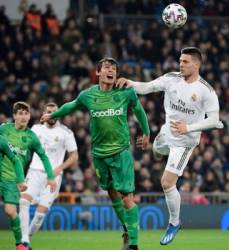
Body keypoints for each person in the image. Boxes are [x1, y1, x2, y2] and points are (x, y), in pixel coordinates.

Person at [41, 57, 150, 250]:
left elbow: (139, 111)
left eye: (114, 68)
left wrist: (147, 132)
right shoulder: (88, 95)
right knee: (111, 192)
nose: (111, 70)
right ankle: (126, 227)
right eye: (107, 67)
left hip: (121, 152)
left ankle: (133, 244)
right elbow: (70, 106)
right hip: (99, 155)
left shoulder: (126, 92)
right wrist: (52, 115)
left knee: (127, 198)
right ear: (98, 72)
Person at [116, 47, 222, 245]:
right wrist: (130, 83)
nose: (181, 65)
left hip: (185, 141)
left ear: (197, 64)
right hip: (166, 133)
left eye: (186, 62)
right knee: (156, 151)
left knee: (166, 183)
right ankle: (159, 151)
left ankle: (174, 223)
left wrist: (189, 127)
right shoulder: (171, 78)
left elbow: (215, 120)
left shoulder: (206, 90)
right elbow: (147, 87)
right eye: (180, 61)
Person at [20, 102, 78, 250]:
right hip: (34, 172)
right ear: (44, 113)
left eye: (54, 112)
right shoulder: (35, 129)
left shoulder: (66, 132)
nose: (51, 115)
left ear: (58, 114)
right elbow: (25, 149)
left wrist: (59, 168)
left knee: (39, 217)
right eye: (49, 112)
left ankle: (28, 239)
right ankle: (24, 241)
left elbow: (74, 156)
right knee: (23, 201)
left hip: (53, 177)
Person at [0, 101, 56, 250]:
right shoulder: (4, 129)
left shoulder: (31, 137)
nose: (24, 117)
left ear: (30, 116)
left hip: (12, 180)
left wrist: (51, 177)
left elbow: (44, 157)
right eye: (20, 113)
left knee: (10, 211)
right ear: (14, 116)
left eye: (26, 114)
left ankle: (19, 244)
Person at [0, 135, 27, 250]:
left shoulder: (2, 141)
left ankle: (19, 244)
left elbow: (15, 160)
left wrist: (21, 180)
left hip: (7, 180)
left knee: (10, 211)